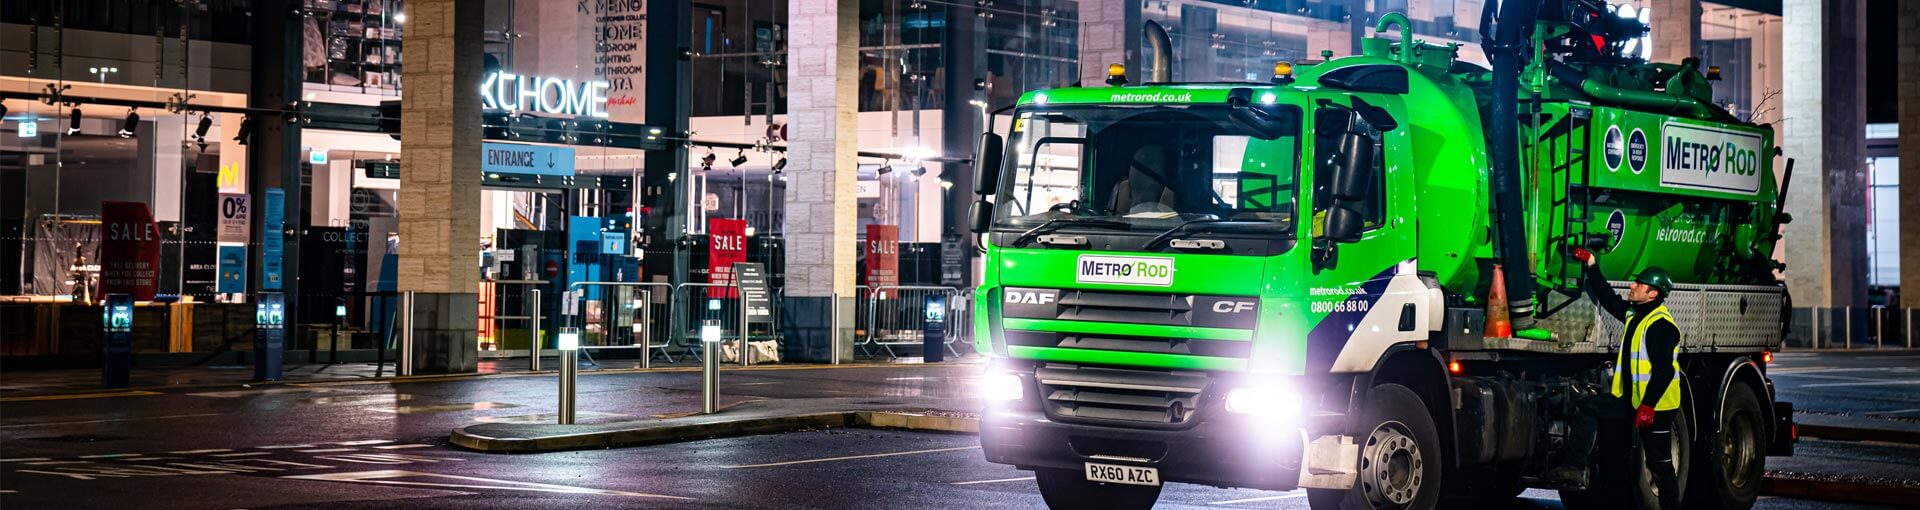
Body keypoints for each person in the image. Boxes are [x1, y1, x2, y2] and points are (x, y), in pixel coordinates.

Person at [1550, 247, 1684, 509]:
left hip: (1657, 408)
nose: (1632, 286)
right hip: (1630, 402)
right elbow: (1608, 298)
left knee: (1660, 465)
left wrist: (1648, 406)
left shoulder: (1661, 326)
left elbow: (1664, 371)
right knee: (1587, 409)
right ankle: (1574, 469)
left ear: (1653, 294)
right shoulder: (1635, 315)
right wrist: (1592, 264)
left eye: (1639, 284)